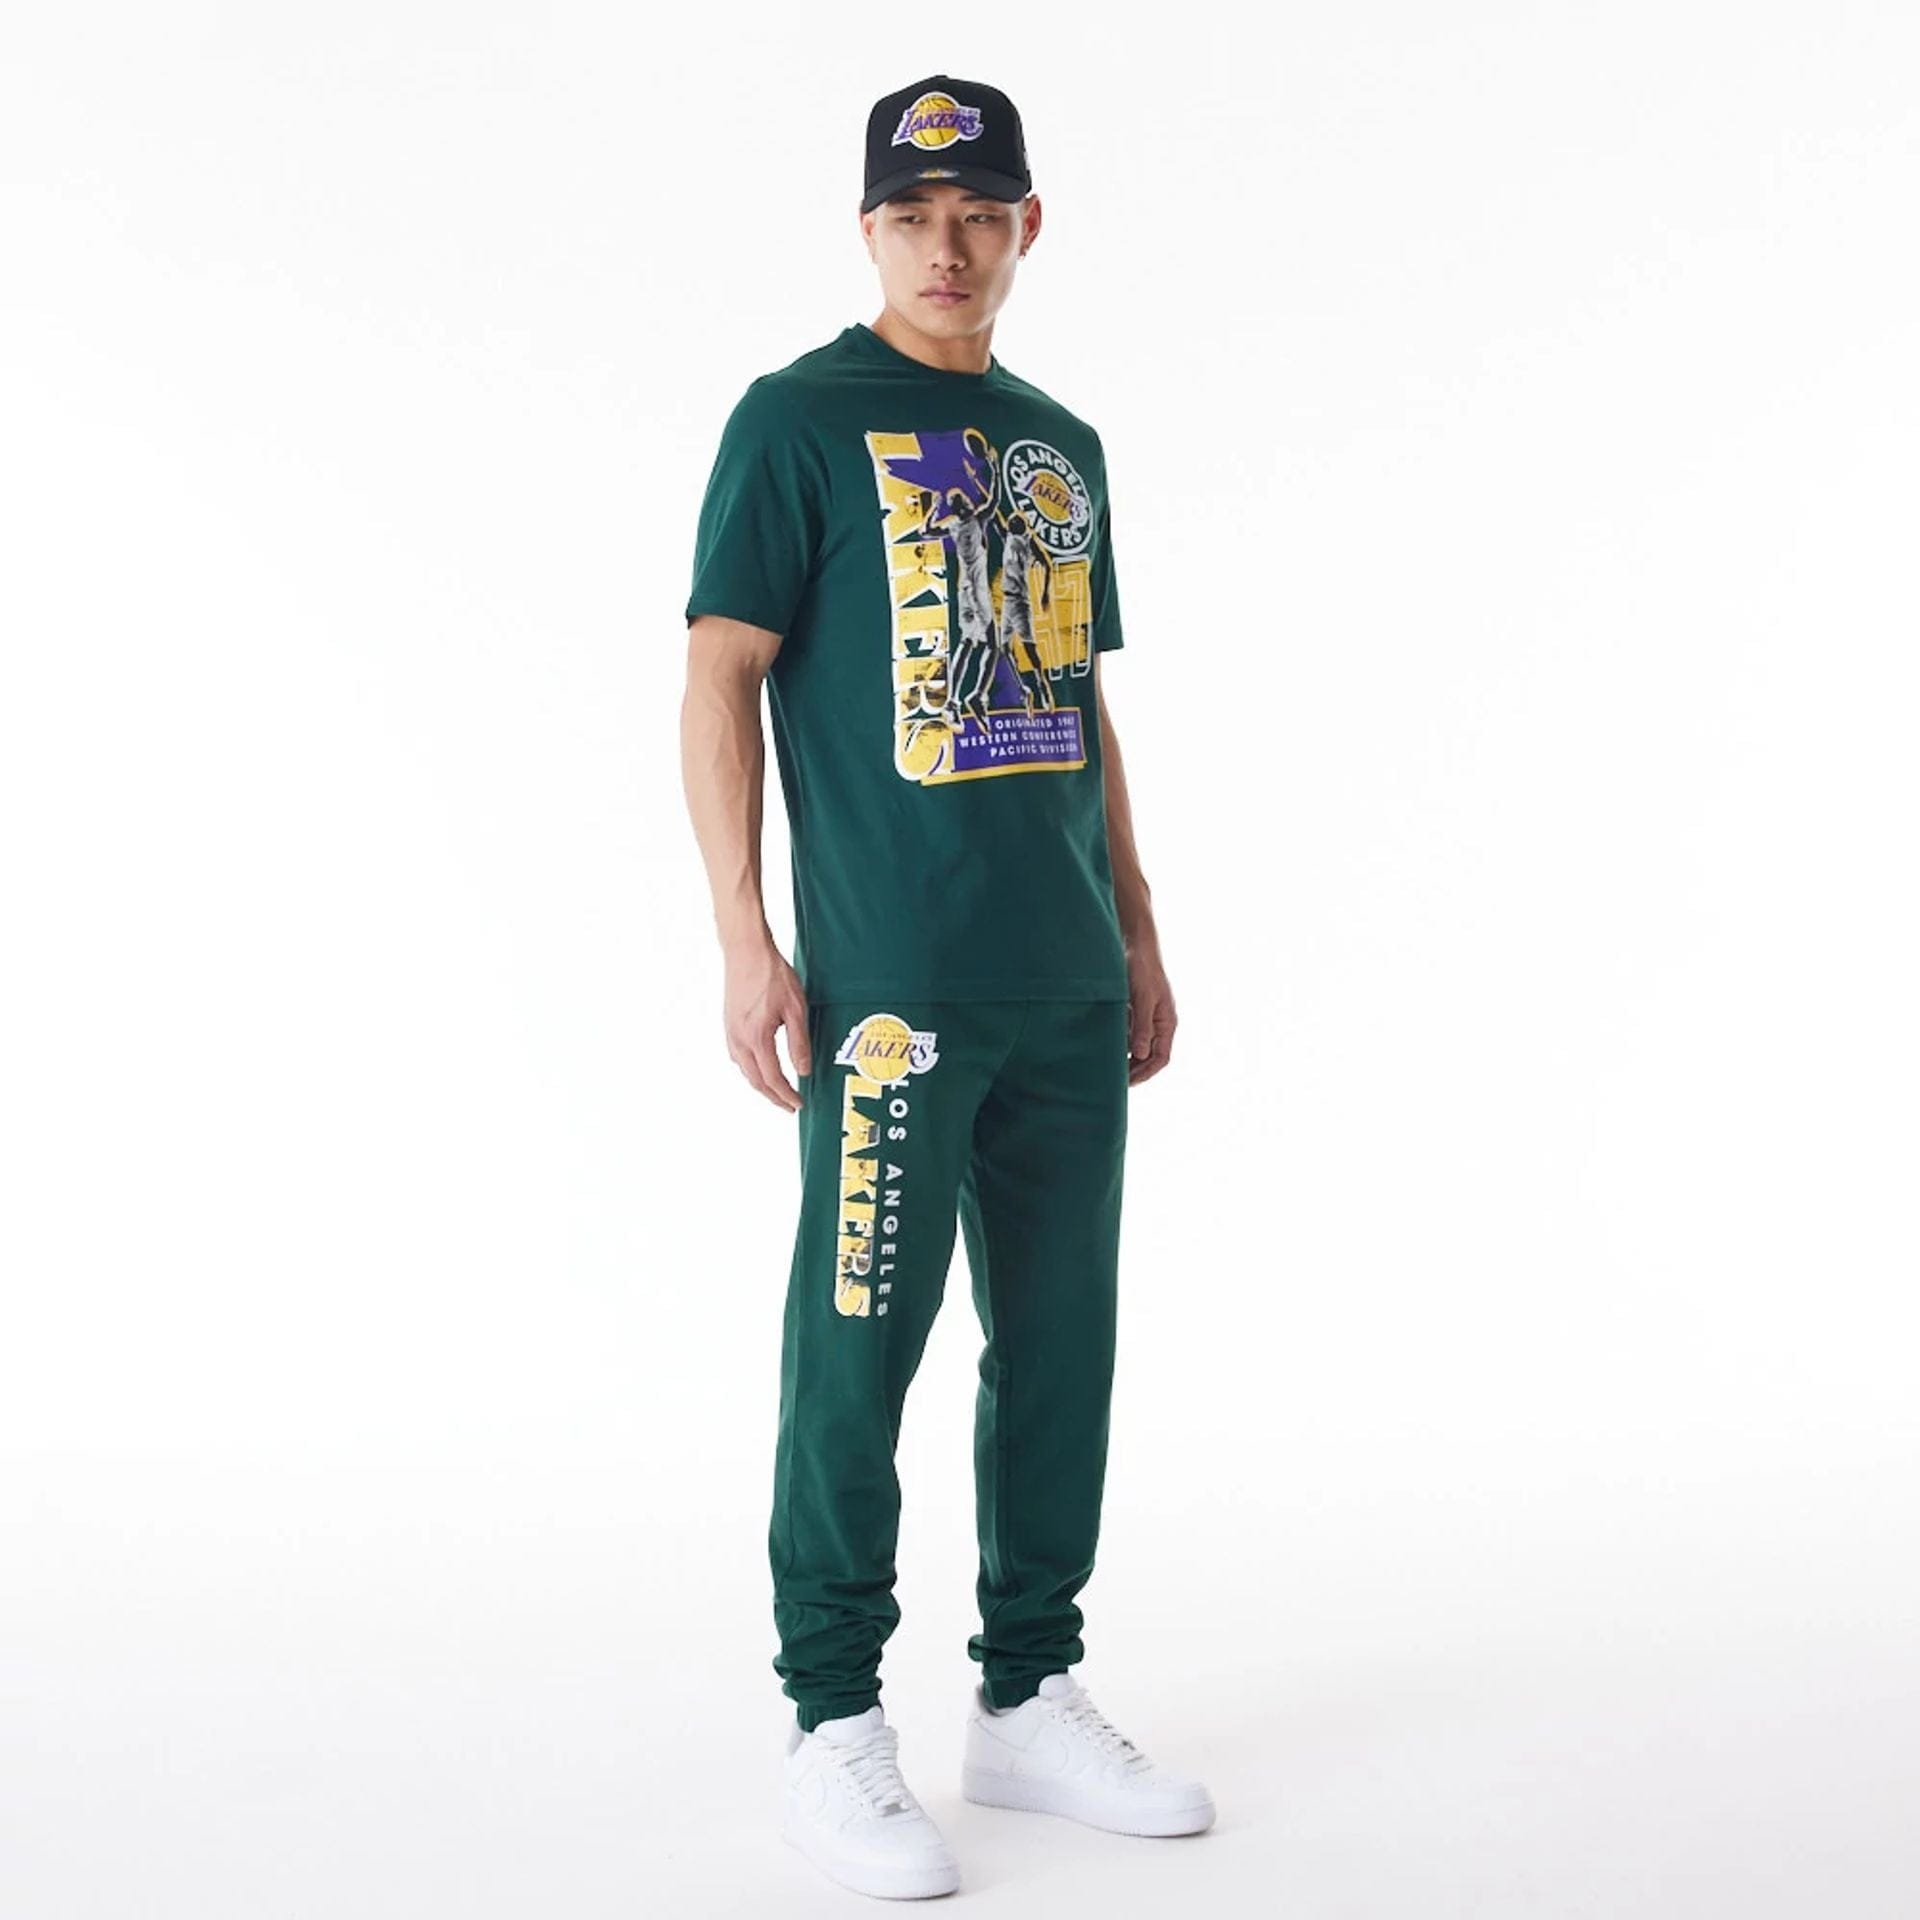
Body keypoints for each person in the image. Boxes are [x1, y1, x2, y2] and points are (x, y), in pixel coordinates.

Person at [678, 72, 1214, 1901]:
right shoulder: (796, 422)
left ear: (1028, 226)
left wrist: (1136, 922)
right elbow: (719, 677)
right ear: (869, 231)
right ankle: (833, 1719)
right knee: (859, 1348)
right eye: (914, 218)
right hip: (890, 994)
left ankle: (1028, 1691)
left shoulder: (1061, 445)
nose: (949, 248)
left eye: (981, 215)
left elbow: (1077, 698)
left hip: (1061, 978)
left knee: (1061, 1344)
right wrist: (747, 936)